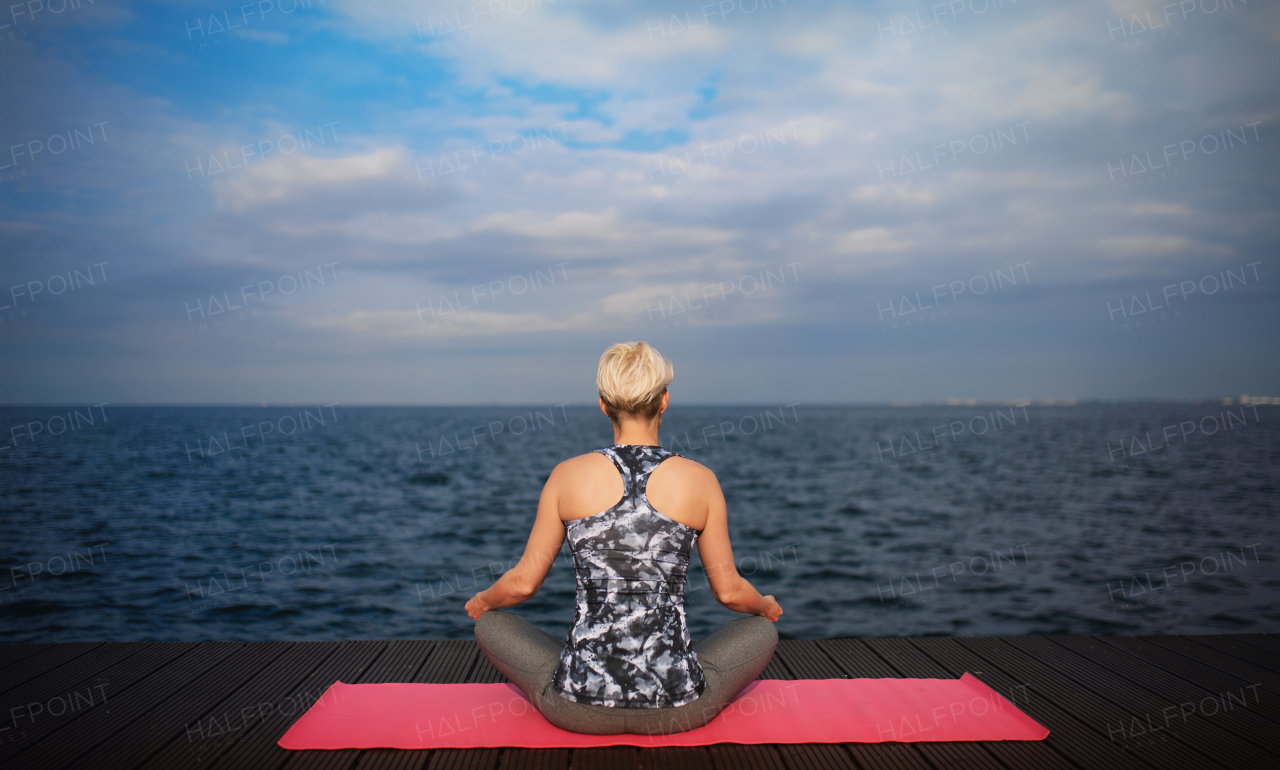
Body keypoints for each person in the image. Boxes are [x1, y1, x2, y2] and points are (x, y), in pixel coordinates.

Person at [466, 341, 783, 735]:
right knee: (762, 631)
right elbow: (731, 593)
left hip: (576, 708)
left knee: (489, 626)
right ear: (664, 401)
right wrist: (766, 605)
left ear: (603, 404)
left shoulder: (566, 476)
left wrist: (482, 602)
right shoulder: (701, 481)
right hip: (678, 710)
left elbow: (523, 583)